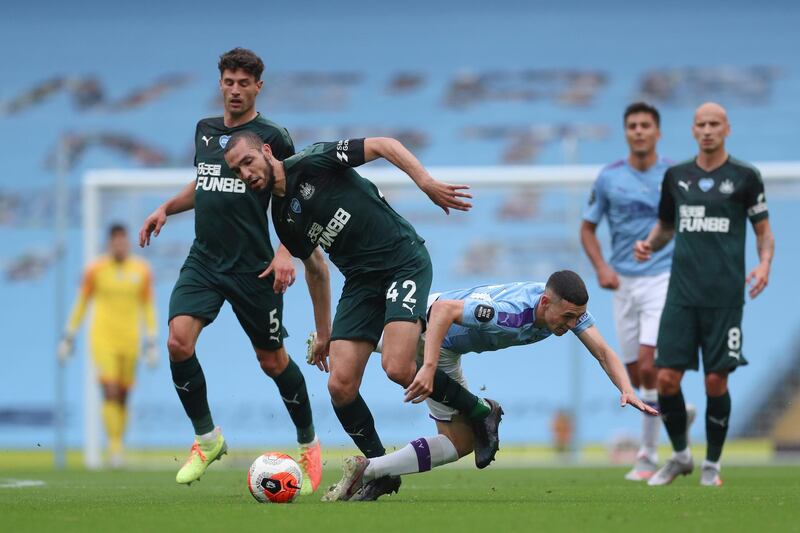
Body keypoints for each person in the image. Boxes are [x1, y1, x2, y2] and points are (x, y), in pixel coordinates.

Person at [223, 131, 503, 501]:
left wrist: (426, 183)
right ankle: (379, 470)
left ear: (268, 152)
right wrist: (323, 333)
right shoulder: (281, 218)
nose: (246, 173)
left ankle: (482, 411)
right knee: (339, 385)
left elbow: (383, 144)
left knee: (398, 367)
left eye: (248, 162)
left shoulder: (314, 161)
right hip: (360, 282)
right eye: (237, 171)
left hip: (401, 261)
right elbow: (317, 269)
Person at [138, 48, 327, 493]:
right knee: (177, 341)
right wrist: (167, 206)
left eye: (244, 83)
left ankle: (309, 444)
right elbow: (207, 183)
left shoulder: (273, 136)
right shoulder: (205, 131)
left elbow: (297, 197)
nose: (235, 90)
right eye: (229, 82)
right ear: (220, 83)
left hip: (254, 267)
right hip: (204, 260)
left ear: (258, 86)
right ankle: (207, 439)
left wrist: (285, 250)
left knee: (272, 360)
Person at [324, 271, 658, 501]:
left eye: (577, 317)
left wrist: (625, 388)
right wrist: (427, 366)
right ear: (545, 302)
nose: (573, 324)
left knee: (459, 442)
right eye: (568, 317)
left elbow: (603, 351)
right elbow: (442, 311)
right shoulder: (510, 313)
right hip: (425, 328)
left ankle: (369, 469)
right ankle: (480, 410)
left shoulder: (564, 309)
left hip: (445, 348)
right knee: (377, 364)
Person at [634, 102, 775, 487]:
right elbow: (665, 227)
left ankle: (712, 464)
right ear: (693, 130)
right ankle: (680, 455)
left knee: (716, 382)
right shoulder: (676, 176)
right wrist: (649, 244)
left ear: (727, 127)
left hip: (725, 297)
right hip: (681, 294)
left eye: (715, 123)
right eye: (701, 124)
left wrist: (763, 265)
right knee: (665, 379)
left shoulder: (746, 177)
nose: (708, 129)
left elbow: (763, 232)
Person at [581, 102, 682, 480]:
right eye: (633, 126)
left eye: (645, 125)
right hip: (622, 282)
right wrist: (602, 268)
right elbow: (587, 229)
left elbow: (684, 224)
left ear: (657, 131)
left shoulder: (674, 175)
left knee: (648, 362)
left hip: (662, 276)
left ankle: (647, 454)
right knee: (635, 373)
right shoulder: (609, 178)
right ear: (626, 132)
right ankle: (671, 407)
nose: (639, 131)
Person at [58, 224, 157, 467]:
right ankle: (114, 448)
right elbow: (82, 302)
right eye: (115, 242)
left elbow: (147, 306)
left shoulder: (141, 270)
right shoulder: (96, 269)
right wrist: (69, 336)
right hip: (103, 339)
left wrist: (152, 341)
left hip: (130, 340)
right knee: (110, 390)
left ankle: (117, 444)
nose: (119, 246)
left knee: (123, 396)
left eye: (123, 241)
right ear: (109, 243)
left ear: (127, 243)